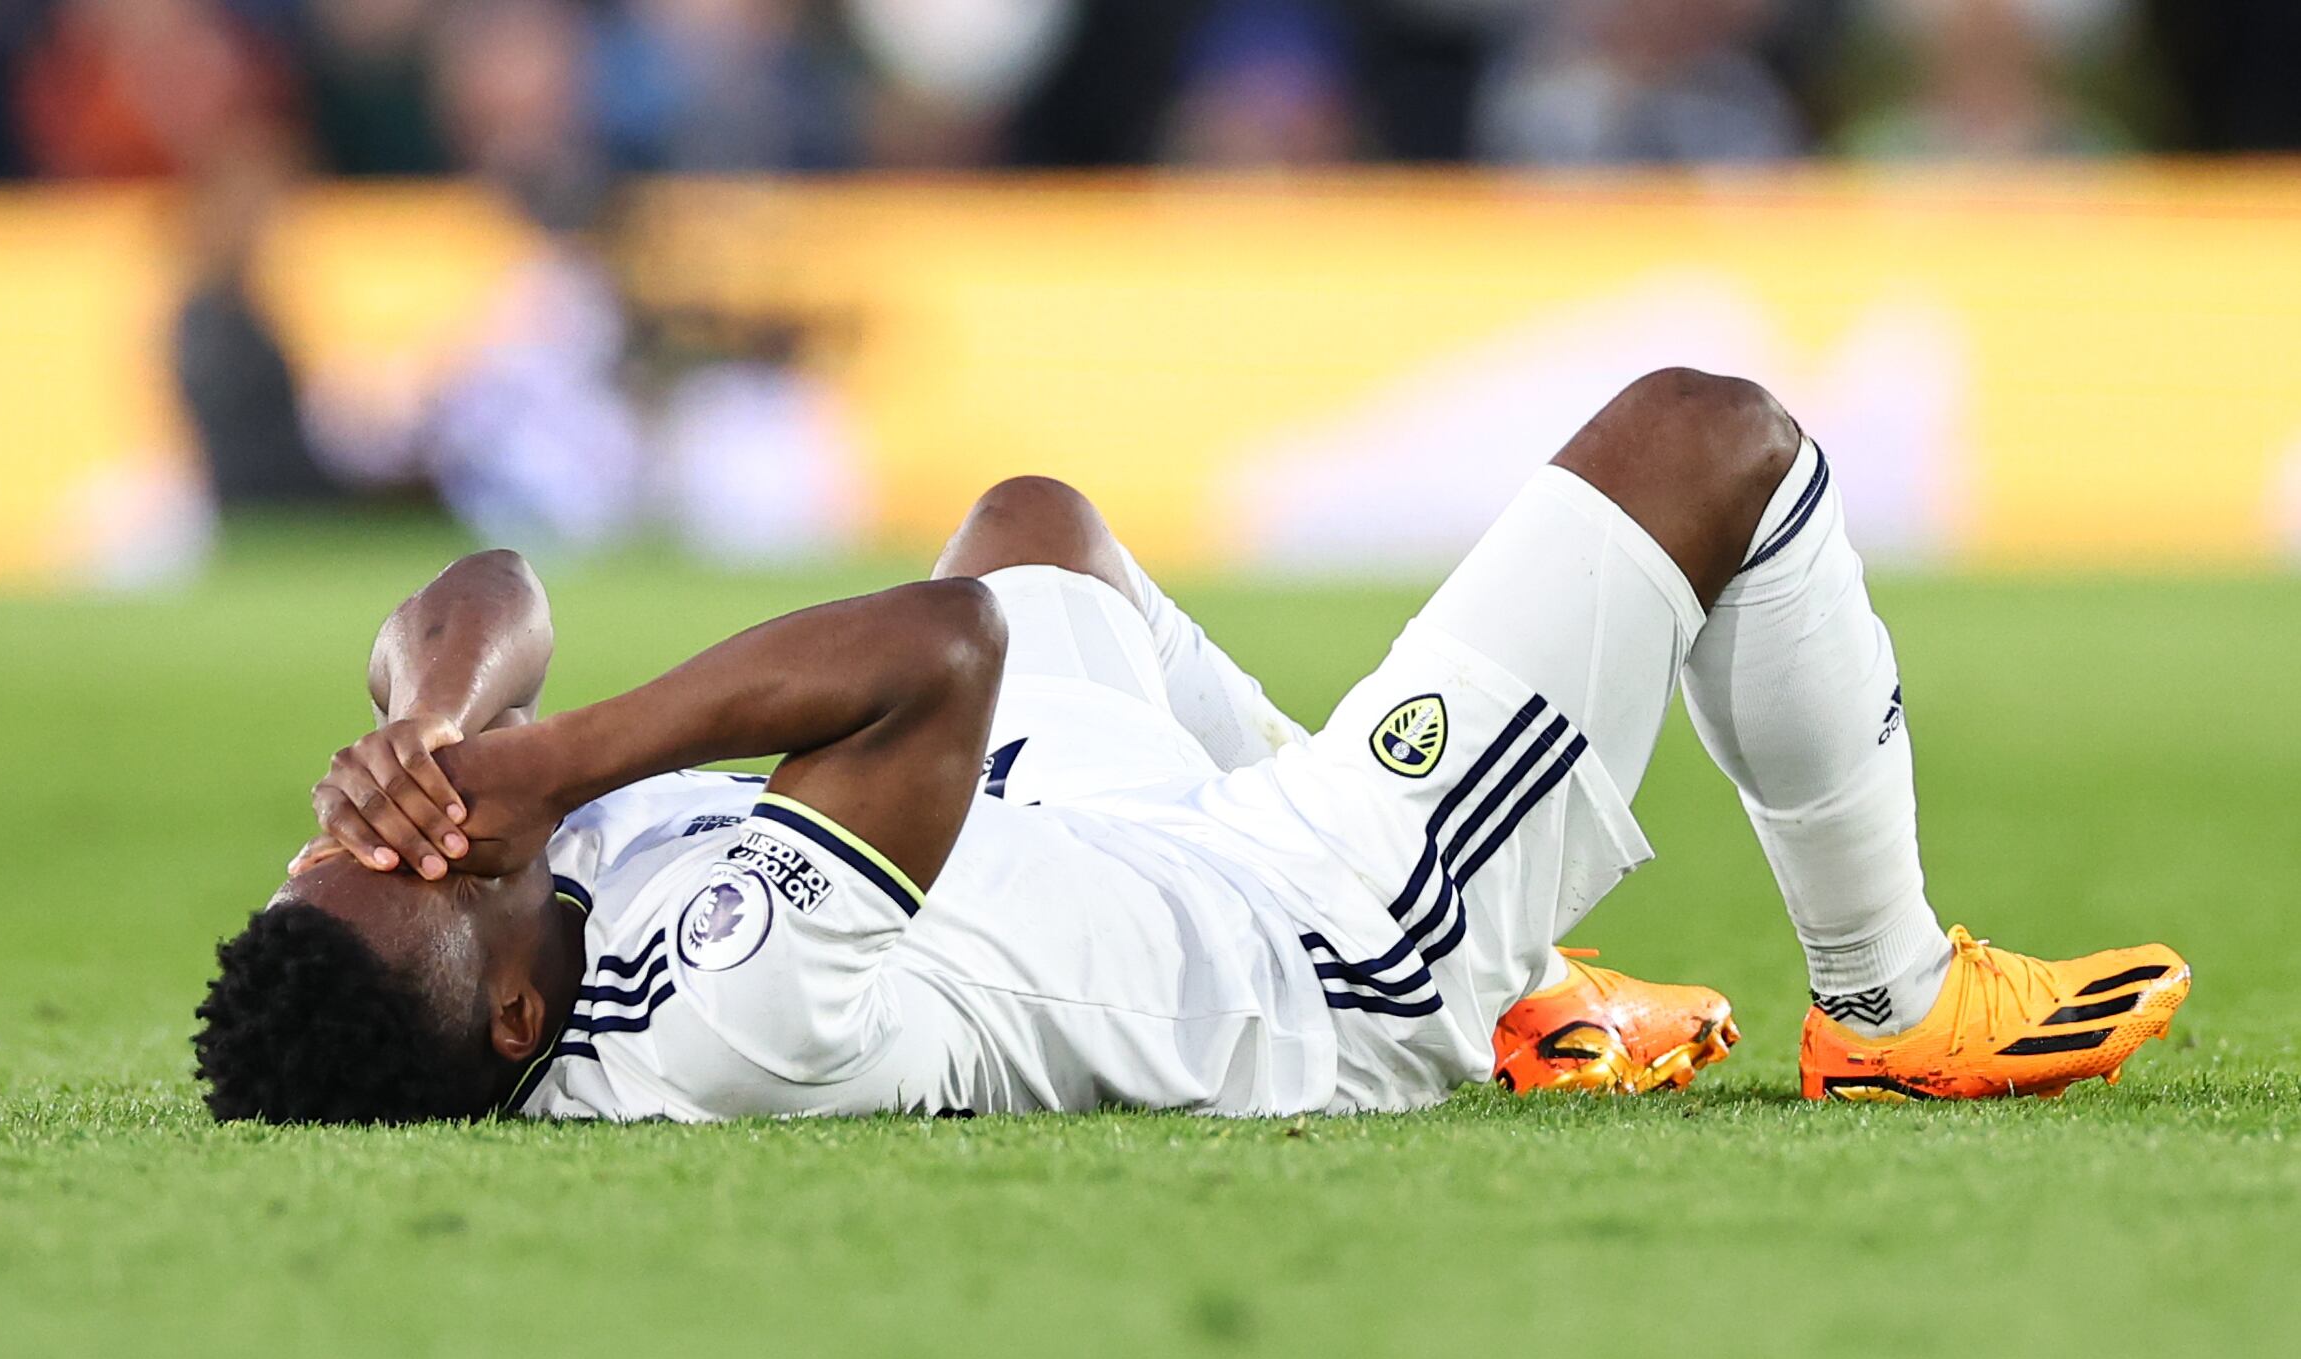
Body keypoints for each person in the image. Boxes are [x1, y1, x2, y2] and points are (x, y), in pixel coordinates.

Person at [194, 369, 2189, 1123]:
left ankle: (1554, 984)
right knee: (1707, 445)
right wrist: (551, 767)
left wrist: (441, 722)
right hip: (1307, 940)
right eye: (423, 870)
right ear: (524, 1018)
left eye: (355, 843)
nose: (414, 833)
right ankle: (1887, 994)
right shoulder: (721, 1005)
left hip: (1077, 841)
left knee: (1037, 513)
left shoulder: (461, 946)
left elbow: (483, 584)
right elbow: (929, 656)